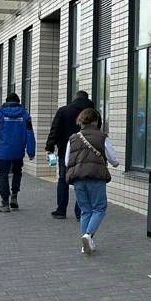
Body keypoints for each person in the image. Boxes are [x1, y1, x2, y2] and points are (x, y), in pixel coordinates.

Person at [65, 108, 117, 255]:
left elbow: (67, 161)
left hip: (78, 178)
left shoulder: (73, 138)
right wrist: (115, 163)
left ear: (80, 121)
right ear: (96, 121)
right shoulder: (102, 137)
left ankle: (85, 245)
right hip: (96, 177)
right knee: (99, 208)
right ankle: (88, 235)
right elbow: (113, 159)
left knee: (85, 210)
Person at [0, 92, 36, 213]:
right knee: (17, 173)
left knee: (3, 175)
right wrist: (31, 152)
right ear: (18, 102)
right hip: (18, 151)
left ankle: (5, 203)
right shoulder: (25, 115)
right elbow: (30, 133)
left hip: (3, 152)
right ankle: (14, 196)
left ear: (6, 101)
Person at [45, 90, 94, 220]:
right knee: (82, 180)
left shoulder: (63, 111)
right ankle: (80, 212)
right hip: (86, 153)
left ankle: (61, 210)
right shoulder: (93, 113)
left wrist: (50, 146)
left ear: (74, 99)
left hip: (66, 151)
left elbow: (55, 130)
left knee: (63, 180)